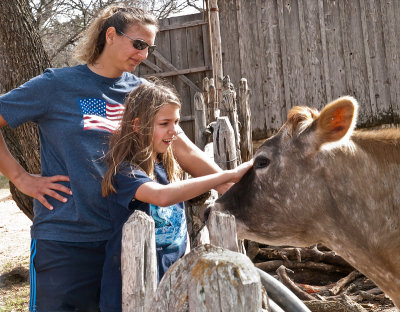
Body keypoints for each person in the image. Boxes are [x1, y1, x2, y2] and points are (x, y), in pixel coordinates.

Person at [0, 5, 230, 312]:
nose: (144, 54)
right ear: (111, 35)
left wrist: (229, 183)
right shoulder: (56, 85)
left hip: (129, 242)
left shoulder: (144, 94)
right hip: (66, 242)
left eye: (150, 47)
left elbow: (183, 148)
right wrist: (21, 178)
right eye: (138, 44)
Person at [100, 80, 253, 311]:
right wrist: (226, 176)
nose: (174, 131)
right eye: (165, 123)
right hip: (131, 291)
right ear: (138, 125)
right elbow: (162, 197)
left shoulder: (165, 167)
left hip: (173, 286)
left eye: (177, 122)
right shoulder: (125, 173)